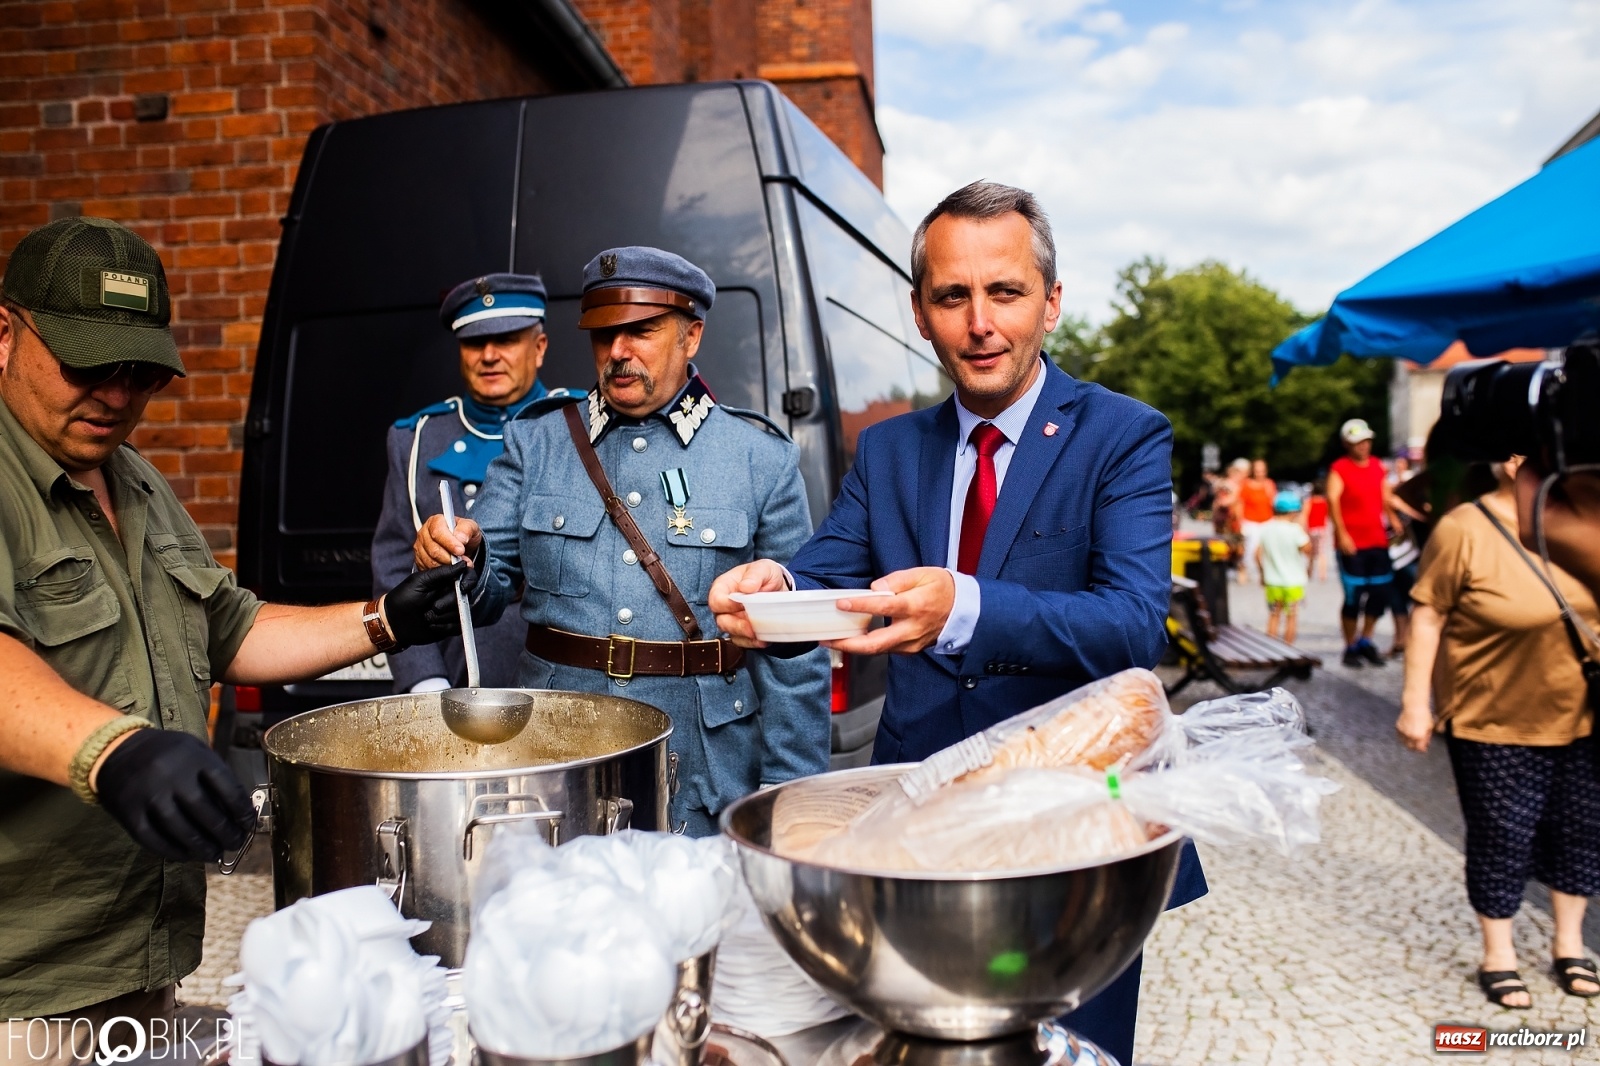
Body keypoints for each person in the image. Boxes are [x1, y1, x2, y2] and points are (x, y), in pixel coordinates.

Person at [706, 181, 1206, 1066]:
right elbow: (829, 567)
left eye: (1005, 292)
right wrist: (769, 586)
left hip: (1075, 821)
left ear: (1051, 303)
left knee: (1069, 1053)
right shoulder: (895, 446)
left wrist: (963, 605)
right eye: (952, 296)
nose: (980, 322)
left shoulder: (1123, 436)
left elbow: (1134, 627)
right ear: (920, 313)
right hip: (917, 813)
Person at [0, 219, 463, 1060]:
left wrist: (384, 618)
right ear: (5, 334)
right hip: (23, 990)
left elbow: (230, 626)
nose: (115, 394)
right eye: (86, 364)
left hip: (138, 961)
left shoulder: (130, 477)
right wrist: (116, 752)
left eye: (139, 372)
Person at [413, 246, 830, 838]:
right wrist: (459, 555)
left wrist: (788, 795)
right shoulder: (539, 442)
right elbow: (484, 591)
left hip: (703, 764)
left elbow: (794, 644)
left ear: (691, 337)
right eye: (604, 333)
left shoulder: (759, 457)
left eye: (641, 331)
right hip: (558, 753)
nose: (617, 352)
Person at [1397, 454, 1600, 1009]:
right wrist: (1416, 702)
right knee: (1503, 835)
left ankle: (1569, 944)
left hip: (1583, 710)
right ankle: (1500, 953)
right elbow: (1428, 614)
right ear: (1508, 461)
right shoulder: (1465, 528)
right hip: (1491, 716)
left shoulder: (1584, 518)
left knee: (1582, 830)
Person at [372, 273, 576, 693]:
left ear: (538, 349)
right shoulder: (417, 439)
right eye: (474, 343)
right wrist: (426, 683)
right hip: (458, 679)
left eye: (506, 340)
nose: (489, 355)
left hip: (567, 679)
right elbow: (393, 568)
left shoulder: (580, 426)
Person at [1328, 417, 1402, 667]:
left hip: (1376, 540)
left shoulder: (1377, 466)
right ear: (1347, 444)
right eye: (1358, 442)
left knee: (1380, 593)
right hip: (1352, 543)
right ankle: (1349, 646)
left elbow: (1384, 496)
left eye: (1366, 441)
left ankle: (1366, 640)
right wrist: (1342, 533)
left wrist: (1393, 517)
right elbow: (1333, 500)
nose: (1364, 446)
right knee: (1354, 596)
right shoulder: (1339, 469)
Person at [1256, 490, 1311, 643]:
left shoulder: (1266, 528)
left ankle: (1271, 648)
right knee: (1291, 617)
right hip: (1293, 582)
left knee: (1273, 615)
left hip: (1272, 581)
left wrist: (1262, 573)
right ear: (1293, 512)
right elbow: (1308, 549)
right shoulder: (1295, 530)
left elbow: (1257, 554)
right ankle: (1288, 650)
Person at [1236, 458, 1276, 585]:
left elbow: (1274, 503)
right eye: (1257, 471)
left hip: (1267, 521)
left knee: (1266, 549)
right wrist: (1240, 521)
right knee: (1250, 549)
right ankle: (1244, 568)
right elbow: (1240, 503)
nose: (1260, 474)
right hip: (1250, 521)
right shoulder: (1246, 484)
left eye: (1262, 471)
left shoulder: (1269, 484)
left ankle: (1263, 572)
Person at [1305, 477, 1331, 582]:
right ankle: (1322, 574)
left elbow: (1305, 514)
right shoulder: (1325, 502)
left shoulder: (1309, 501)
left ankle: (1309, 571)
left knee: (1311, 552)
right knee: (1321, 552)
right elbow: (1328, 515)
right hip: (1322, 529)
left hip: (1311, 529)